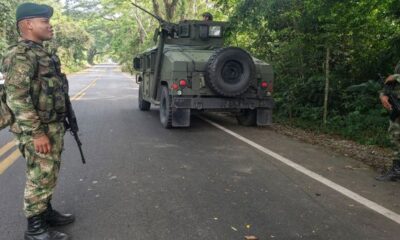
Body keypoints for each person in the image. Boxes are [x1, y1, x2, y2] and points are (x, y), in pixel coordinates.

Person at [2, 2, 75, 240]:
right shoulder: (20, 56)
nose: (50, 25)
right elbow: (17, 98)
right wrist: (36, 133)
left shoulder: (41, 53)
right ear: (28, 25)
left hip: (50, 125)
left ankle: (45, 213)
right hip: (37, 129)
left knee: (48, 174)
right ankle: (35, 229)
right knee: (39, 176)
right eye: (44, 21)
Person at [377, 61, 400, 181]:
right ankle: (396, 170)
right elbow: (390, 83)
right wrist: (383, 95)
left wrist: (396, 76)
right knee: (395, 138)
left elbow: (394, 78)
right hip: (397, 108)